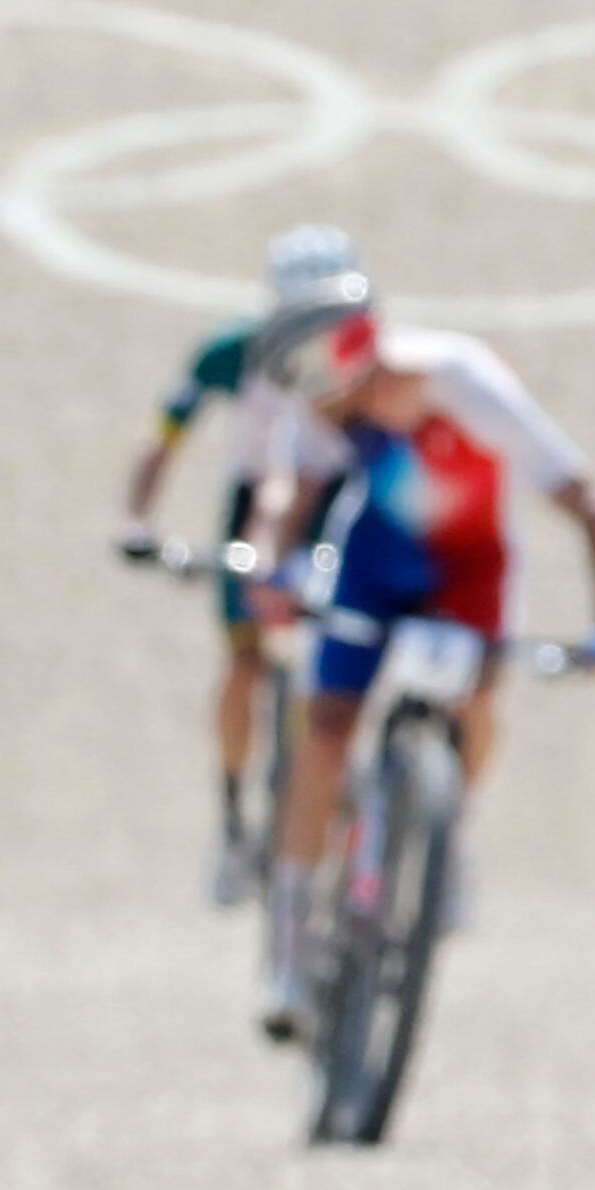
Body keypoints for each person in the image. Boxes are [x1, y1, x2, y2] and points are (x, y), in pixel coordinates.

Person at [246, 280, 595, 1039]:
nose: (312, 411)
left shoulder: (463, 383)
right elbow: (288, 495)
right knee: (325, 732)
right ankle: (288, 947)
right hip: (374, 561)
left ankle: (448, 827)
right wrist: (273, 570)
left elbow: (589, 500)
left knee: (478, 702)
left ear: (345, 366)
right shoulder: (329, 401)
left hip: (470, 568)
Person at [116, 225, 360, 904]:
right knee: (246, 662)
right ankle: (233, 820)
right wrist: (137, 517)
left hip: (343, 497)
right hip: (261, 500)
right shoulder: (231, 352)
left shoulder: (370, 357)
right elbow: (163, 434)